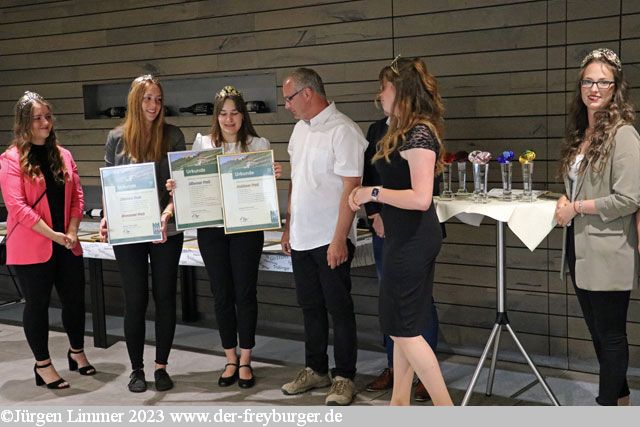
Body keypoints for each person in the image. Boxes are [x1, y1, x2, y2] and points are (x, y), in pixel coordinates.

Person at [349, 56, 453, 406]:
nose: (379, 95)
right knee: (400, 326)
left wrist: (372, 193)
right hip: (403, 236)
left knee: (403, 329)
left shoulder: (420, 133)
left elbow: (421, 198)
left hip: (413, 239)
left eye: (384, 88)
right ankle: (399, 404)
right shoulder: (402, 131)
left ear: (401, 91)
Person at [167, 85, 281, 389]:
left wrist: (270, 176)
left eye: (234, 113)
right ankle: (230, 357)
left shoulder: (258, 144)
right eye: (223, 114)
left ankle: (246, 359)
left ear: (243, 116)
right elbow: (191, 184)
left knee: (245, 293)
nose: (229, 119)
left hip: (247, 229)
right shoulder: (203, 143)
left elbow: (263, 194)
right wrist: (177, 185)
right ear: (216, 117)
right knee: (221, 293)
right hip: (212, 230)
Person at [555, 48, 640, 406]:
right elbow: (580, 186)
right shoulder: (583, 133)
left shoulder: (624, 135)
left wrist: (575, 207)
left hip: (609, 248)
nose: (594, 88)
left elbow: (629, 198)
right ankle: (620, 400)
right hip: (579, 247)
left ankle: (606, 407)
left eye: (603, 82)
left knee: (611, 335)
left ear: (616, 87)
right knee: (597, 333)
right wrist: (566, 198)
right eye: (588, 81)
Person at [280, 68, 367, 406]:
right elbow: (295, 180)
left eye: (289, 98)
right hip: (301, 236)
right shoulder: (299, 129)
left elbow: (352, 188)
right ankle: (316, 369)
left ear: (307, 93)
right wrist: (289, 225)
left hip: (330, 237)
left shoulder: (343, 130)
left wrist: (339, 239)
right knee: (310, 307)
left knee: (339, 309)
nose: (286, 105)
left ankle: (344, 377)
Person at [0, 91, 94, 389]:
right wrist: (53, 234)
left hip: (67, 242)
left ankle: (76, 352)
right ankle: (42, 365)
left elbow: (77, 197)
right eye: (37, 118)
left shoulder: (64, 155)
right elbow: (17, 206)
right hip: (32, 246)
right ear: (23, 122)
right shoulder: (10, 159)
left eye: (47, 116)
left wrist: (73, 231)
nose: (44, 122)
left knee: (75, 301)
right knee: (37, 305)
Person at [100, 75, 186, 393]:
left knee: (165, 297)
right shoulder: (116, 138)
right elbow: (110, 187)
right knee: (135, 299)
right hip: (130, 230)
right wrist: (107, 216)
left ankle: (161, 367)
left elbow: (180, 188)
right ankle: (136, 369)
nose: (153, 105)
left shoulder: (173, 135)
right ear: (135, 101)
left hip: (166, 230)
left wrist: (166, 213)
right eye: (147, 98)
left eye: (158, 99)